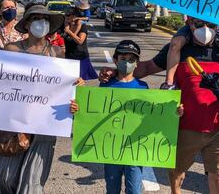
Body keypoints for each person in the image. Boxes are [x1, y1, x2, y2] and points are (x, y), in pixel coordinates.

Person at [99, 17, 219, 194]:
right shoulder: (177, 48)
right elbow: (146, 68)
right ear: (189, 24)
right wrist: (116, 73)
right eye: (198, 24)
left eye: (210, 25)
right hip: (184, 127)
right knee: (176, 173)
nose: (205, 29)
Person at [71, 40, 182, 193]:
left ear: (137, 63)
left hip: (134, 151)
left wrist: (173, 113)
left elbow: (153, 115)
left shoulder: (143, 87)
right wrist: (78, 107)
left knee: (134, 190)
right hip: (110, 150)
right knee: (112, 189)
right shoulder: (106, 85)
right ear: (115, 60)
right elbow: (93, 112)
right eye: (123, 59)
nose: (127, 63)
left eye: (131, 60)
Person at [0, 4, 84, 193]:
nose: (40, 23)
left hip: (44, 124)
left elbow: (62, 87)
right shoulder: (11, 49)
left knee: (32, 183)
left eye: (44, 20)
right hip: (13, 123)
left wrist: (76, 87)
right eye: (36, 19)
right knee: (6, 180)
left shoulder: (58, 53)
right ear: (27, 24)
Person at [0, 0, 27, 179]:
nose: (11, 9)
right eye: (7, 7)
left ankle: (18, 158)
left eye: (13, 6)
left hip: (19, 86)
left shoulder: (24, 32)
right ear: (0, 11)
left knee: (18, 123)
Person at [163, 21, 219, 90]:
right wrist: (194, 22)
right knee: (175, 45)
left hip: (214, 18)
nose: (205, 29)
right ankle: (169, 84)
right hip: (194, 19)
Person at [64, 6, 98, 80]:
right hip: (68, 58)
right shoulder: (65, 26)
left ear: (75, 16)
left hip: (80, 58)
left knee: (80, 81)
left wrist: (69, 32)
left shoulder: (83, 26)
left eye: (68, 15)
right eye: (65, 14)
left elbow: (80, 41)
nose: (66, 16)